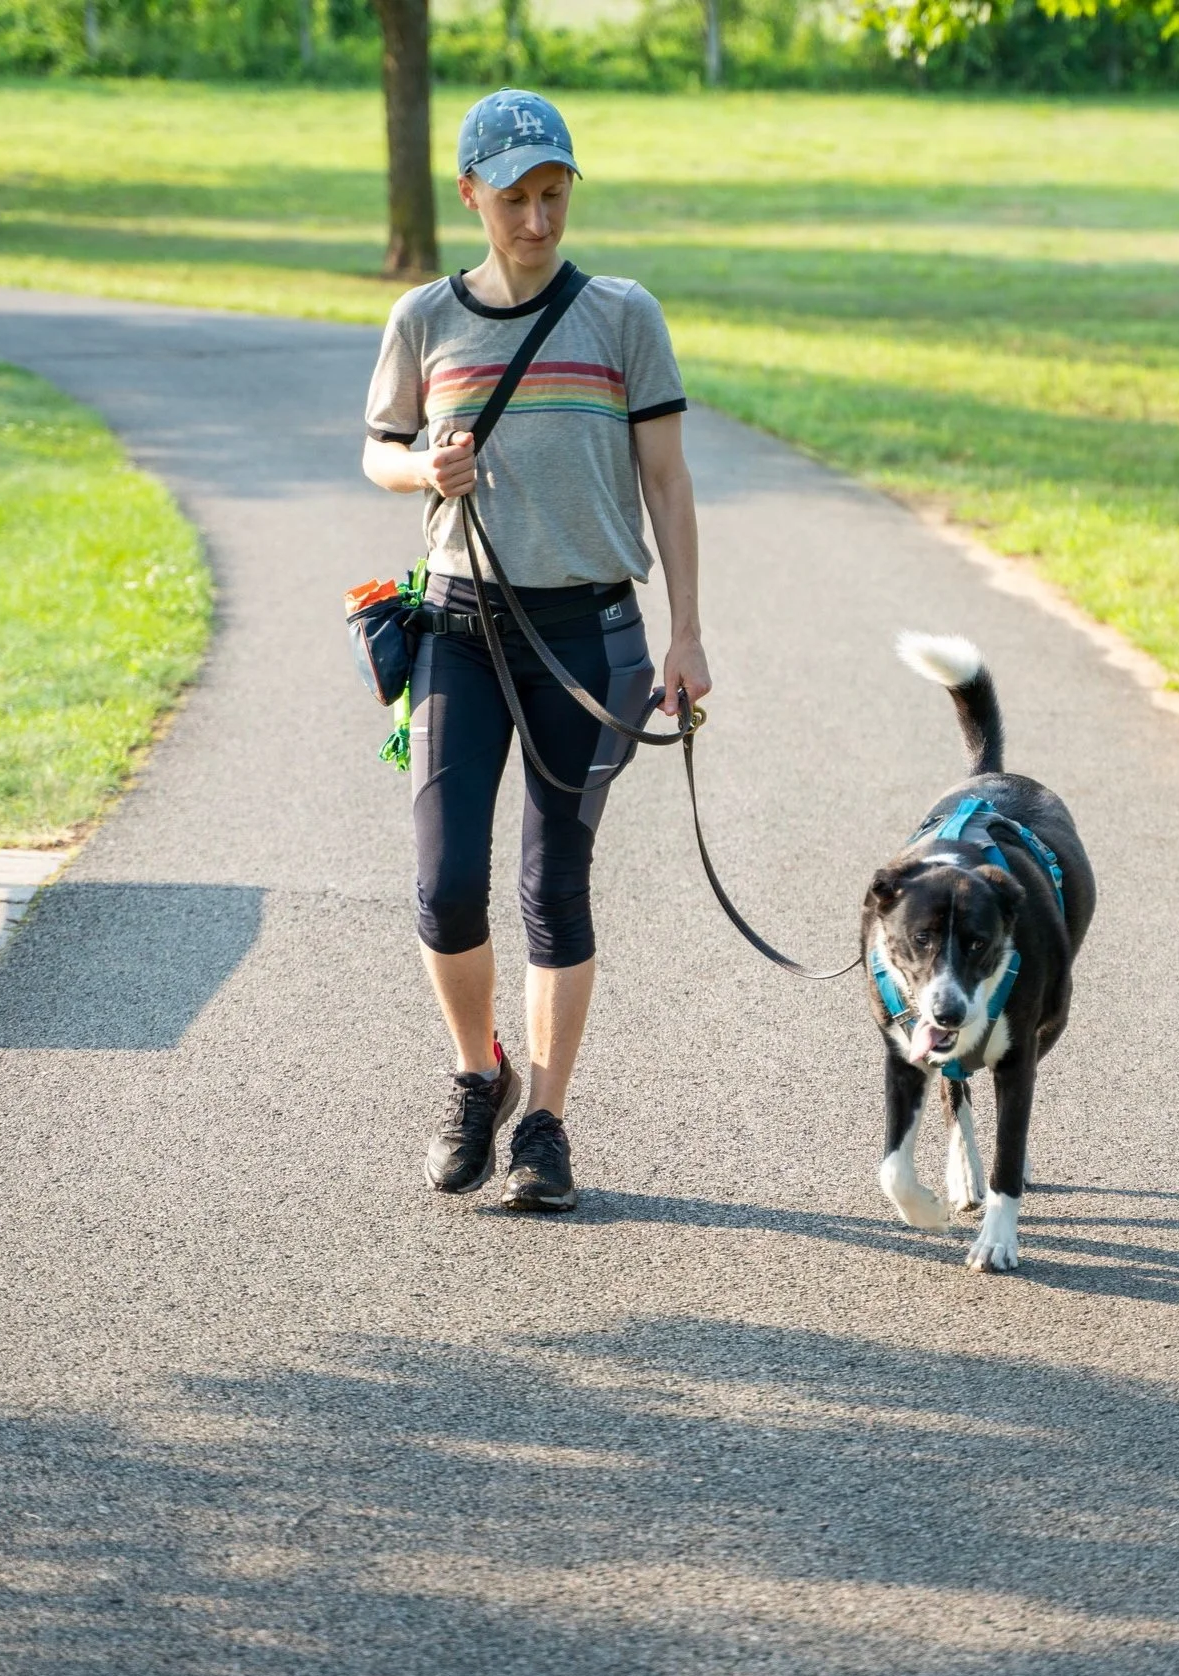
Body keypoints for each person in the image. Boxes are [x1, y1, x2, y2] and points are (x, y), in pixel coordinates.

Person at [362, 88, 711, 1213]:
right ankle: (479, 1073)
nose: (537, 216)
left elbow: (665, 478)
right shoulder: (423, 318)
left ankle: (546, 1126)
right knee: (445, 881)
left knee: (554, 887)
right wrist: (426, 468)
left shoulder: (620, 316)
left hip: (592, 635)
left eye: (553, 193)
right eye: (514, 197)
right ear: (470, 194)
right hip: (459, 632)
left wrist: (687, 634)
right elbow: (377, 453)